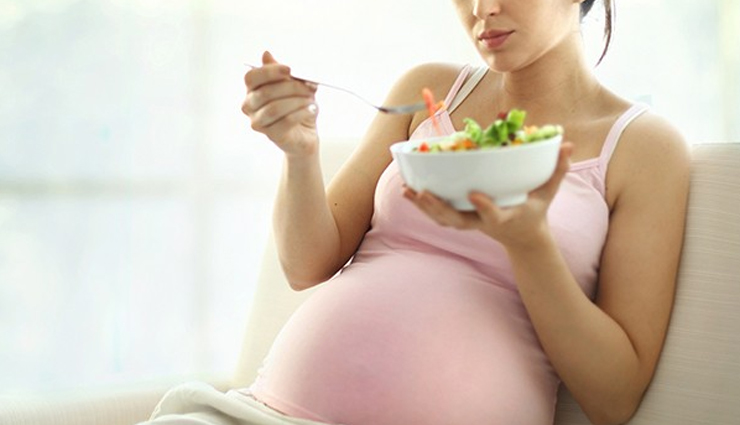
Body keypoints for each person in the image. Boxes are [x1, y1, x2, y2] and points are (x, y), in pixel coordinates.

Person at [141, 0, 690, 424]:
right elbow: (306, 265)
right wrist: (300, 152)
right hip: (265, 413)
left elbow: (614, 399)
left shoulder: (645, 148)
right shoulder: (429, 90)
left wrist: (529, 245)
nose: (481, 9)